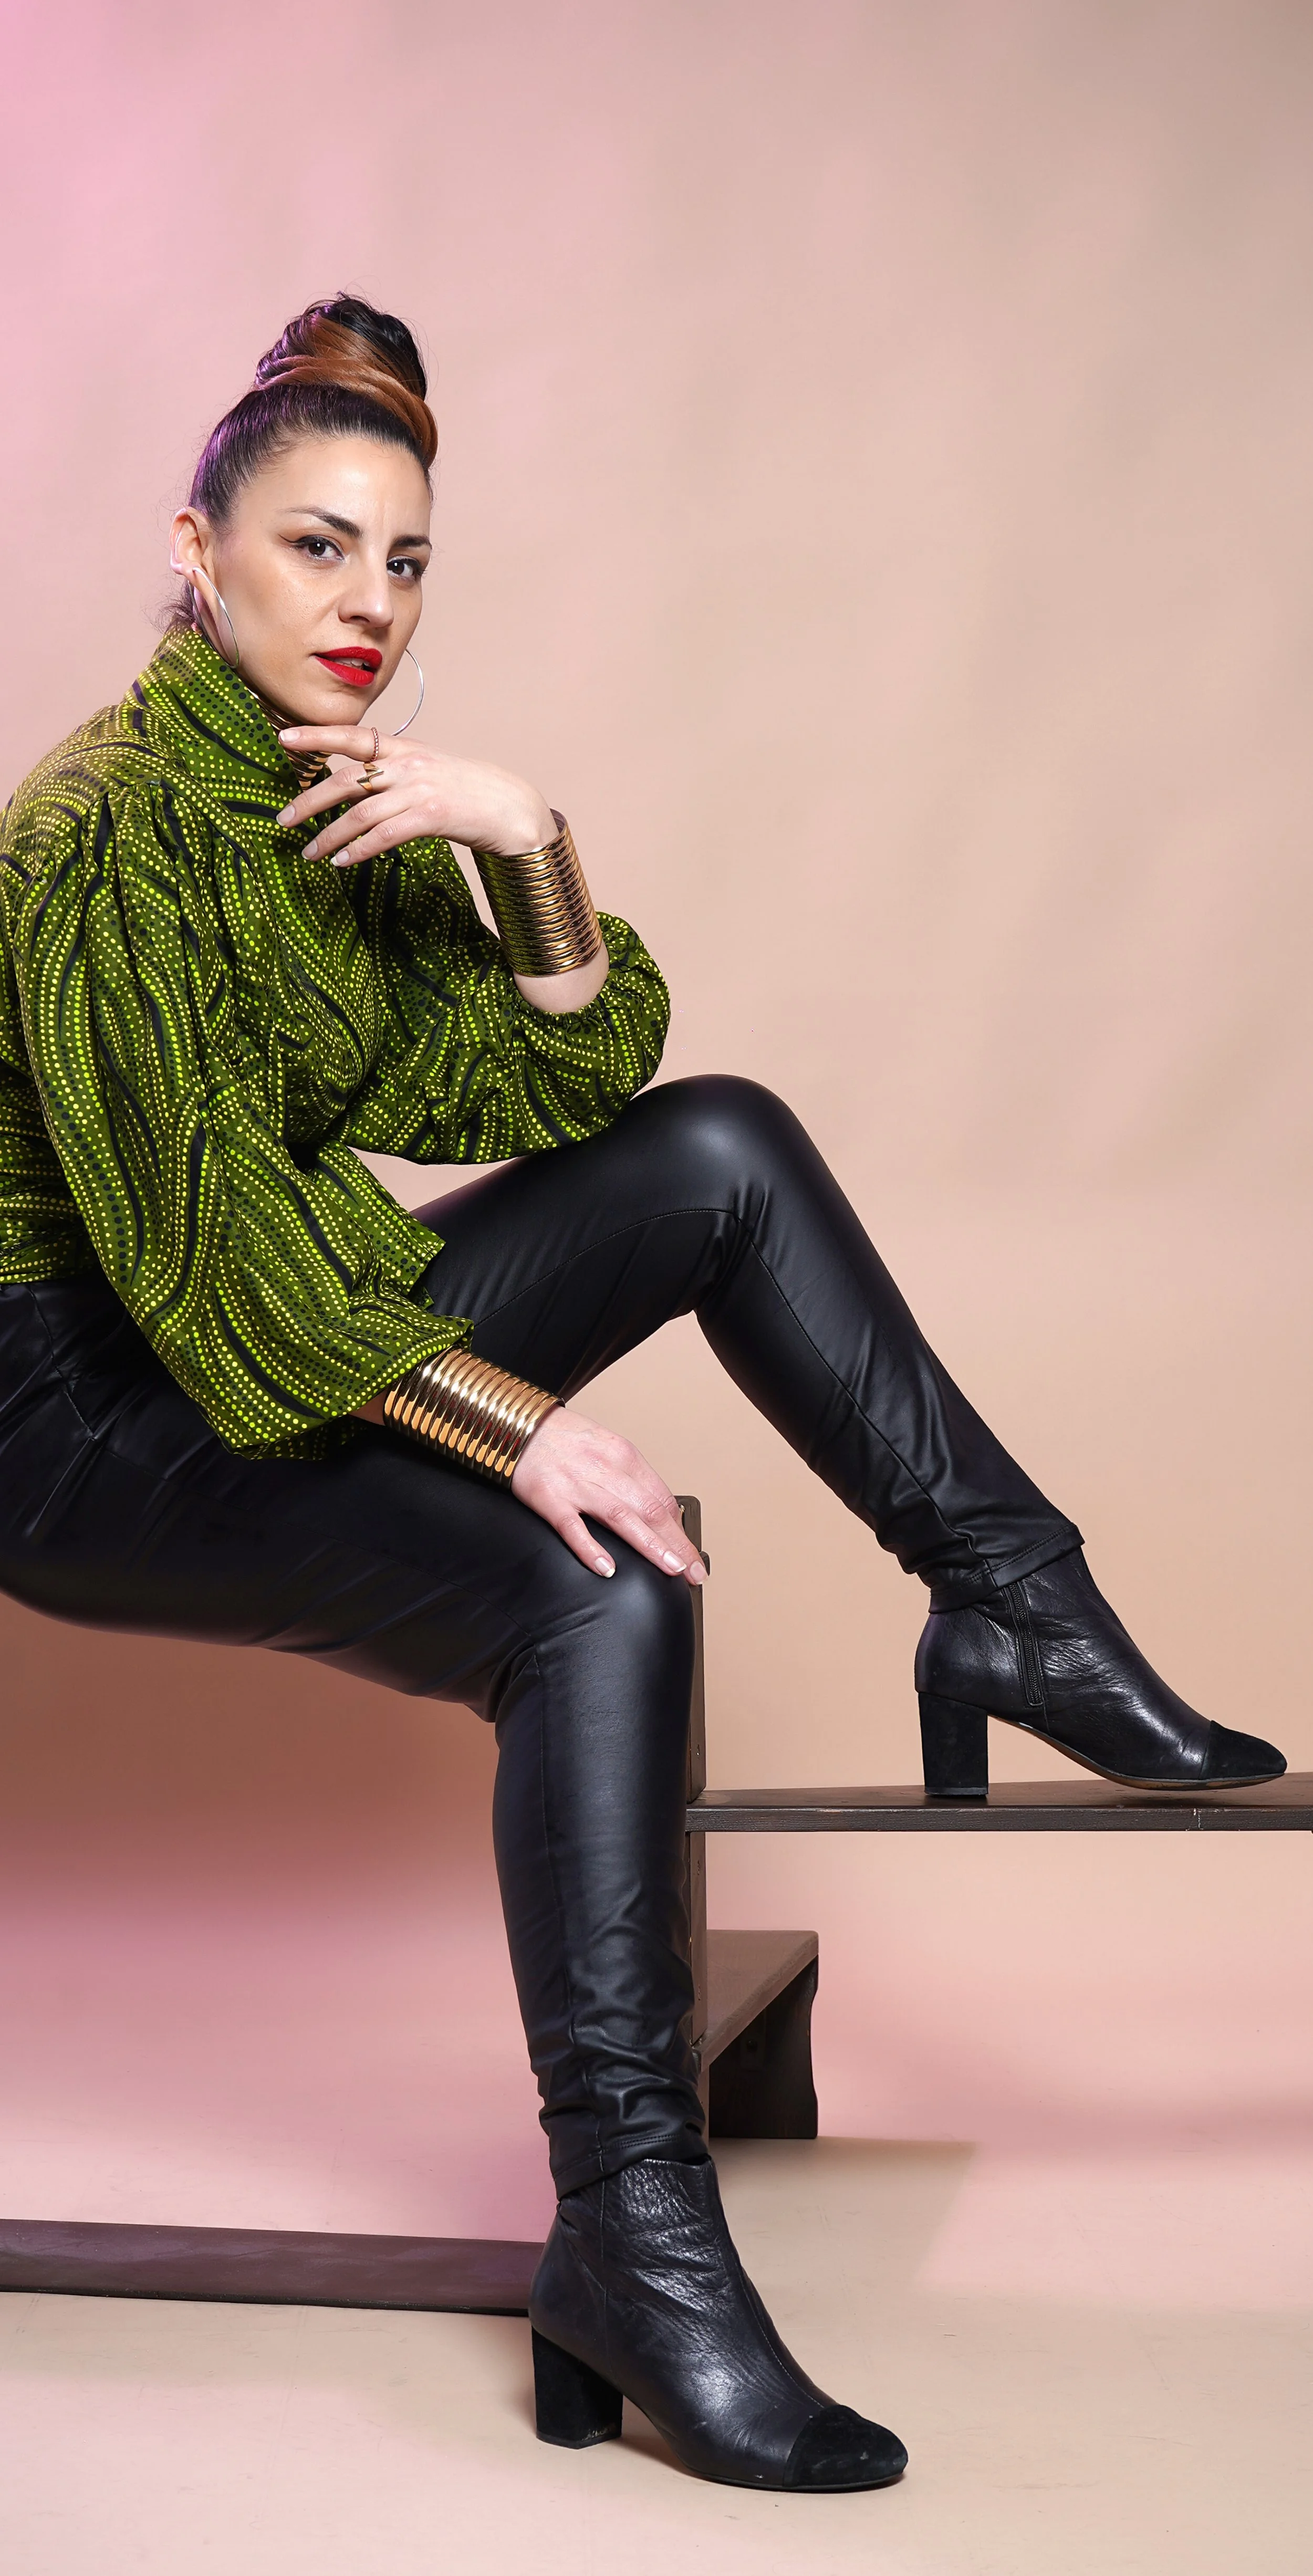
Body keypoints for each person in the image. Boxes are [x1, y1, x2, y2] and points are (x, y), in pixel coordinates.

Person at [0, 295, 1283, 2496]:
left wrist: (524, 836)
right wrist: (519, 1425)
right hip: (83, 1426)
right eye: (316, 546)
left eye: (406, 560)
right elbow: (206, 1251)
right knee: (602, 1584)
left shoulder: (325, 799)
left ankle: (1013, 1605)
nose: (369, 605)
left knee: (718, 1148)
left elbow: (552, 1075)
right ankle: (634, 2235)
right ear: (192, 550)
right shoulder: (105, 835)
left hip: (277, 1325)